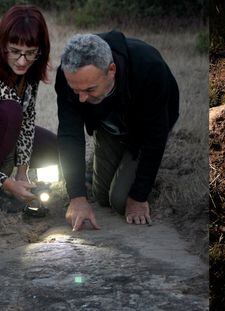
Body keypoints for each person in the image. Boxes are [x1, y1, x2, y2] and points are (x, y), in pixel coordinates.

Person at [56, 31, 179, 231]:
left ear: (111, 70)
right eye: (75, 90)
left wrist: (139, 197)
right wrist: (77, 197)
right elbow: (70, 134)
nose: (81, 99)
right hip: (107, 124)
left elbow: (155, 137)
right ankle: (109, 155)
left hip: (145, 128)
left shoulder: (149, 68)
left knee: (120, 201)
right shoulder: (67, 73)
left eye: (89, 89)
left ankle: (128, 159)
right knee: (102, 197)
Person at [0, 4, 57, 210]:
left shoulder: (30, 72)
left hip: (7, 137)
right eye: (15, 51)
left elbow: (28, 119)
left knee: (54, 147)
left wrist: (22, 172)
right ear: (2, 45)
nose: (23, 61)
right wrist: (7, 182)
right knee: (11, 111)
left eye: (30, 52)